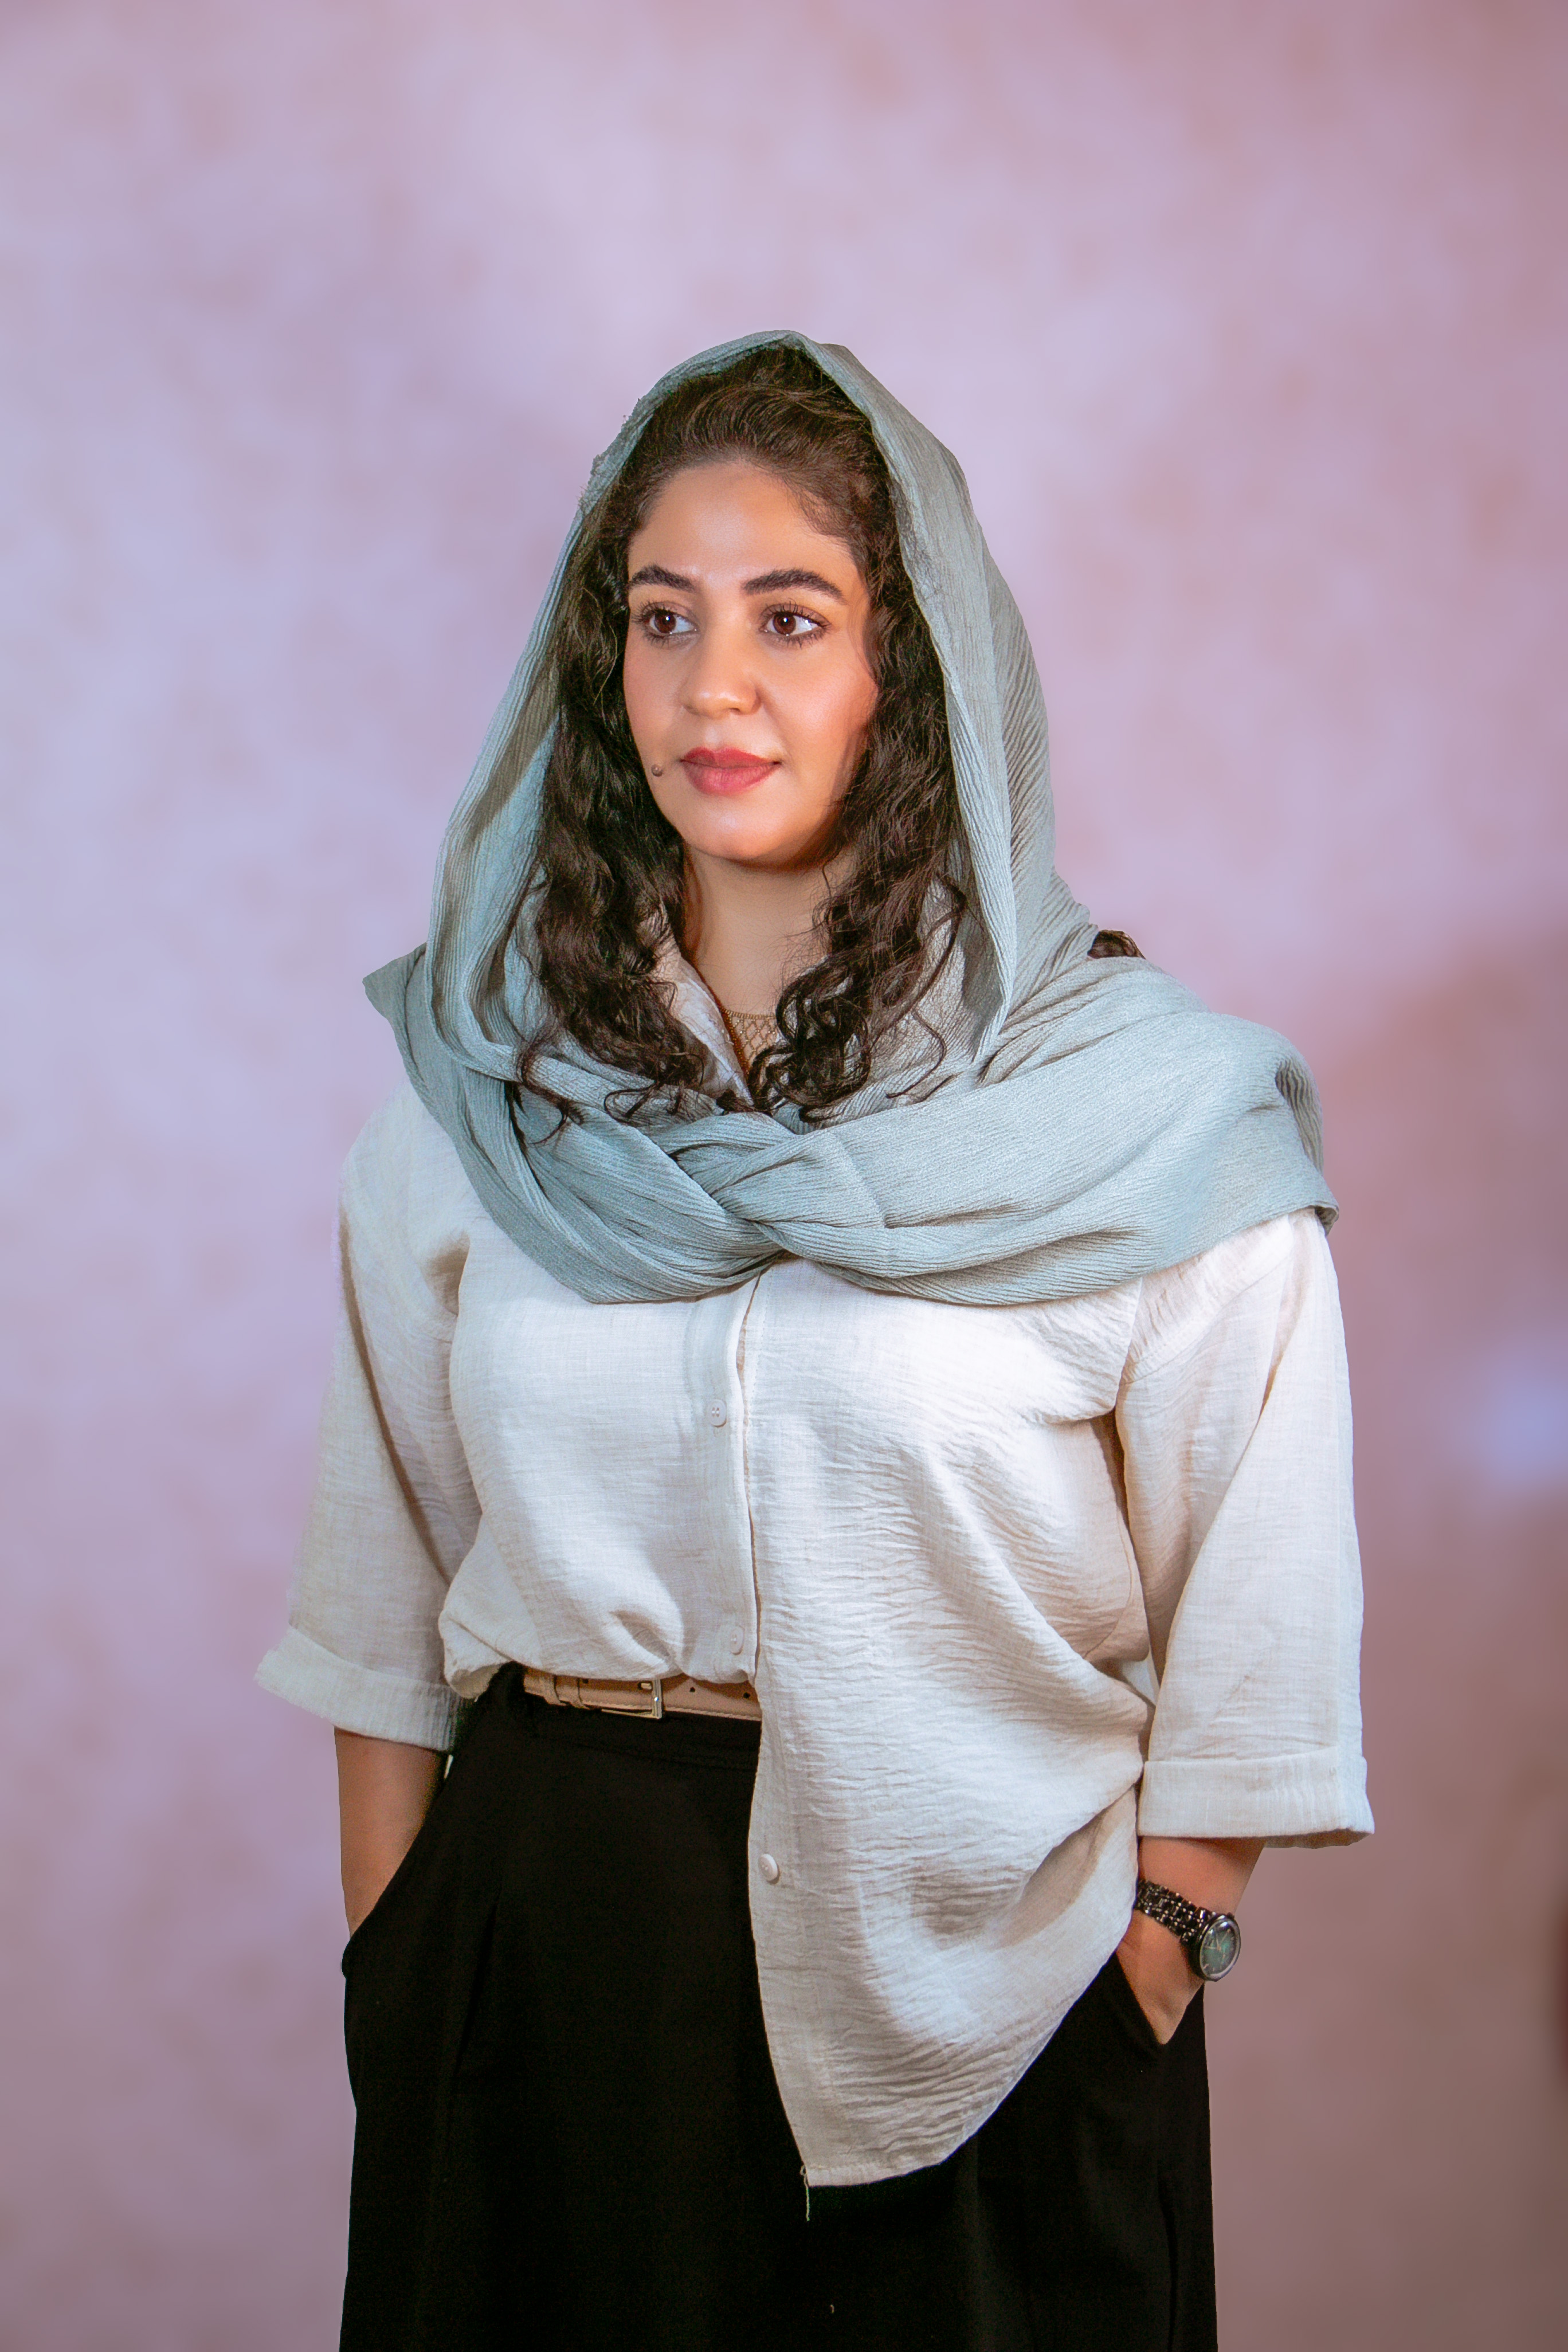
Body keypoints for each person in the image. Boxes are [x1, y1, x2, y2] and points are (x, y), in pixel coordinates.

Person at [258, 334, 1371, 2351]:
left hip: (996, 2011)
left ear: (907, 671)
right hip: (543, 1980)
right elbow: (380, 1583)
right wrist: (400, 1968)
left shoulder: (1147, 1120)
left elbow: (1260, 1618)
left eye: (791, 617)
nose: (715, 687)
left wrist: (1157, 1960)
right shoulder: (482, 1107)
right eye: (661, 617)